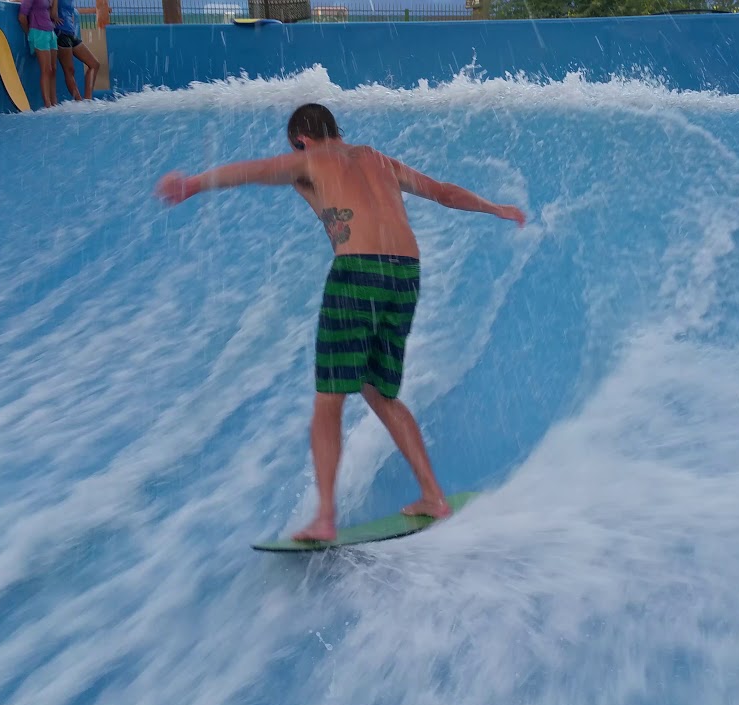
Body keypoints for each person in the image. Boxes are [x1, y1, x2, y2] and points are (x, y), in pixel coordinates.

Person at [155, 103, 526, 542]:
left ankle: (325, 516)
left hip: (358, 274)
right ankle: (433, 497)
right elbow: (443, 192)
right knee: (379, 391)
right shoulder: (379, 160)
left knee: (329, 399)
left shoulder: (307, 158)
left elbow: (252, 171)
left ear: (300, 139)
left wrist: (192, 184)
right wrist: (496, 208)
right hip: (404, 274)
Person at [52, 0, 101, 101]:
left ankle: (88, 100)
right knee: (69, 70)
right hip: (61, 33)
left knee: (94, 64)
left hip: (71, 33)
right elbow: (51, 12)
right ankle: (78, 101)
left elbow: (71, 12)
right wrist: (54, 18)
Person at [17, 0, 58, 108]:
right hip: (39, 32)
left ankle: (54, 103)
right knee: (46, 69)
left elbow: (53, 15)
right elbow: (22, 17)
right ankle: (47, 104)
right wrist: (30, 34)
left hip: (50, 31)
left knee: (53, 69)